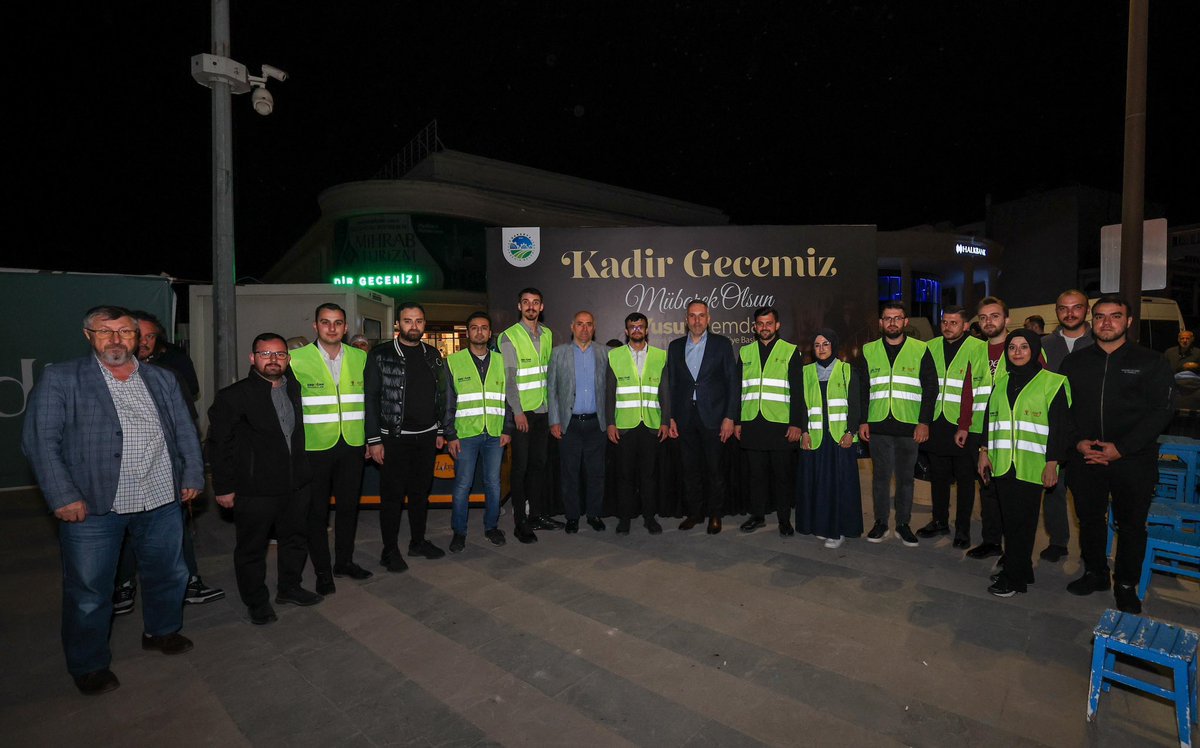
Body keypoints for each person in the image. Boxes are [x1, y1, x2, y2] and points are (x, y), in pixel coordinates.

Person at [22, 306, 203, 695]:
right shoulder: (62, 378)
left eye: (125, 331)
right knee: (89, 590)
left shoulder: (162, 378)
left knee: (169, 573)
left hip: (159, 497)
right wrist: (63, 495)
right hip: (92, 505)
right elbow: (40, 443)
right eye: (106, 331)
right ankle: (88, 664)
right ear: (89, 336)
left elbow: (185, 431)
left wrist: (191, 475)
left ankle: (161, 630)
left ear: (138, 338)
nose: (116, 339)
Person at [1060, 295, 1175, 614]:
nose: (1106, 322)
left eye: (1114, 316)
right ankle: (1096, 573)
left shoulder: (1151, 362)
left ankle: (1126, 586)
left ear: (1128, 321)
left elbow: (1161, 412)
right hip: (1086, 457)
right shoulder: (1074, 363)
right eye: (1099, 316)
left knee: (1132, 525)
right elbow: (1062, 409)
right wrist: (1078, 442)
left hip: (1133, 460)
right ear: (1091, 321)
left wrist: (1120, 449)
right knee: (1090, 520)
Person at [111, 311, 223, 617]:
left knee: (176, 529)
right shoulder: (104, 372)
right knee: (123, 530)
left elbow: (187, 421)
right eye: (139, 335)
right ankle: (122, 584)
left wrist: (191, 470)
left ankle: (188, 583)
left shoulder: (171, 366)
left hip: (165, 467)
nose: (144, 342)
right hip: (121, 472)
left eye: (150, 336)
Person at [208, 334, 322, 625]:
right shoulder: (233, 396)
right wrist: (224, 487)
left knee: (295, 539)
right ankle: (256, 601)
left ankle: (289, 587)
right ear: (252, 358)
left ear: (288, 359)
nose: (273, 360)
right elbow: (219, 445)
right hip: (255, 489)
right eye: (265, 354)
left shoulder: (295, 389)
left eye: (280, 354)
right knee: (252, 548)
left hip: (296, 484)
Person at [977, 330, 1071, 597]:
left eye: (1024, 347)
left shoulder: (1052, 383)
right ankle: (1023, 569)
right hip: (1003, 463)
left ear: (1035, 351)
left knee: (1023, 524)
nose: (1017, 352)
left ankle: (1013, 579)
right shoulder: (1002, 382)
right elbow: (989, 420)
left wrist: (1053, 463)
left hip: (1033, 465)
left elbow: (1060, 429)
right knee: (1011, 522)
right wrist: (983, 451)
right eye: (1012, 348)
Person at [290, 303, 372, 594]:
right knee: (317, 513)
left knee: (349, 508)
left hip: (351, 445)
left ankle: (344, 562)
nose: (332, 328)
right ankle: (323, 571)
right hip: (315, 448)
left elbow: (370, 403)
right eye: (325, 322)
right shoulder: (296, 359)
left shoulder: (360, 358)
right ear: (315, 326)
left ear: (346, 327)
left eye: (338, 322)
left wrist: (371, 440)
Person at [365, 302, 448, 570]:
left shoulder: (433, 354)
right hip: (394, 438)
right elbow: (370, 399)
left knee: (420, 494)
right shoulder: (381, 355)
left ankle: (417, 542)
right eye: (408, 321)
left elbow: (442, 395)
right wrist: (374, 439)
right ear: (398, 325)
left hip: (426, 438)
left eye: (419, 321)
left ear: (425, 324)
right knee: (392, 497)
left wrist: (440, 428)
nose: (414, 326)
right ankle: (389, 551)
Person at [858, 302, 937, 546]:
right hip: (878, 425)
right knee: (880, 478)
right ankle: (881, 523)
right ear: (881, 323)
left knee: (905, 479)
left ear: (905, 322)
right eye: (887, 318)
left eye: (897, 318)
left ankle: (903, 524)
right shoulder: (868, 350)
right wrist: (862, 420)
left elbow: (930, 388)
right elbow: (862, 389)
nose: (892, 322)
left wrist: (924, 422)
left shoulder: (920, 349)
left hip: (908, 426)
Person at [917, 305, 988, 548]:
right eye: (945, 322)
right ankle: (939, 521)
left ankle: (963, 529)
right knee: (938, 477)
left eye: (954, 323)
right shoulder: (931, 346)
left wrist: (968, 425)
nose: (948, 327)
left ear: (966, 325)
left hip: (964, 425)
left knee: (966, 480)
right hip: (937, 421)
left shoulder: (979, 348)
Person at [667, 300, 739, 534]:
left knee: (714, 469)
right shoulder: (675, 346)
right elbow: (672, 384)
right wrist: (671, 417)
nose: (697, 320)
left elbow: (732, 382)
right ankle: (695, 513)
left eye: (701, 316)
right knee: (690, 469)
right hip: (685, 417)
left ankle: (715, 515)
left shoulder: (722, 344)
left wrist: (730, 417)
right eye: (692, 316)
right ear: (686, 320)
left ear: (708, 319)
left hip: (715, 418)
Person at [444, 312, 512, 552]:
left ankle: (491, 527)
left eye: (484, 328)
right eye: (474, 328)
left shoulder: (502, 361)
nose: (479, 332)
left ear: (490, 332)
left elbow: (509, 399)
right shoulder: (453, 362)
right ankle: (459, 532)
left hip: (495, 434)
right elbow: (447, 402)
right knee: (463, 485)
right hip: (465, 435)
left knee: (493, 483)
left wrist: (507, 428)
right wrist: (450, 434)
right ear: (467, 333)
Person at [735, 306, 805, 535]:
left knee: (782, 476)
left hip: (781, 425)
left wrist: (797, 423)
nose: (764, 327)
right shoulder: (745, 353)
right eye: (760, 324)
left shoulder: (790, 351)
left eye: (769, 323)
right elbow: (738, 390)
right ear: (754, 327)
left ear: (777, 325)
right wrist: (737, 421)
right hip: (752, 424)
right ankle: (758, 516)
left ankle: (784, 520)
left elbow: (798, 390)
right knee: (756, 476)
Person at [1037, 289, 1094, 563]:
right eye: (1063, 308)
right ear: (1056, 311)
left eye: (1076, 308)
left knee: (1087, 496)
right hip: (1052, 430)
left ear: (1087, 310)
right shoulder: (1044, 345)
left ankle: (1091, 549)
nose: (1070, 313)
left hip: (1090, 432)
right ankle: (1058, 541)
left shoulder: (1100, 341)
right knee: (1053, 490)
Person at [796, 329, 864, 548]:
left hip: (840, 439)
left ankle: (838, 531)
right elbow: (801, 406)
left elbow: (855, 405)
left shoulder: (846, 370)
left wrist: (850, 432)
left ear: (833, 346)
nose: (821, 349)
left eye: (825, 344)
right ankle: (820, 525)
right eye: (817, 345)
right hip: (815, 438)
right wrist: (804, 432)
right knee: (817, 484)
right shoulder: (805, 372)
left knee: (839, 485)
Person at [497, 287, 555, 543]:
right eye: (526, 302)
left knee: (539, 466)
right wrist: (518, 412)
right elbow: (509, 380)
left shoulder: (548, 334)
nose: (531, 306)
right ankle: (520, 522)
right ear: (519, 306)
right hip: (524, 415)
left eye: (535, 302)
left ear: (541, 307)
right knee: (519, 469)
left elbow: (548, 375)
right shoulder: (509, 336)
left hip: (543, 412)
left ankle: (536, 515)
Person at [605, 313, 670, 535]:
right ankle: (625, 519)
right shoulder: (615, 356)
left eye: (640, 327)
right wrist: (610, 423)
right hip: (625, 426)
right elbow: (609, 394)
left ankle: (649, 517)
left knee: (649, 476)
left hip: (651, 425)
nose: (636, 330)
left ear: (646, 330)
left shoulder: (660, 356)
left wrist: (665, 421)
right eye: (632, 327)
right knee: (624, 476)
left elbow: (665, 392)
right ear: (626, 331)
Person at [549, 311, 610, 532]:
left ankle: (594, 514)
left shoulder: (606, 353)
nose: (584, 329)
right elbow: (552, 389)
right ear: (572, 326)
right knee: (569, 473)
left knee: (596, 473)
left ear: (594, 328)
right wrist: (554, 420)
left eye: (589, 325)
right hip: (569, 425)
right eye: (580, 324)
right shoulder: (558, 353)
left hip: (597, 424)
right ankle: (572, 516)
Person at [964, 296, 1010, 560]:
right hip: (978, 430)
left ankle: (1013, 546)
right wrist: (964, 426)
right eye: (983, 318)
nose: (988, 322)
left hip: (1010, 433)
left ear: (1006, 319)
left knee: (1009, 491)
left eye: (994, 316)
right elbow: (969, 392)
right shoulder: (977, 351)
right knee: (987, 488)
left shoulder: (1022, 346)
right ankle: (992, 541)